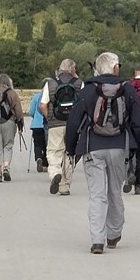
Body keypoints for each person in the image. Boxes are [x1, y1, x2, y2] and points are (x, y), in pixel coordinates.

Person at [65, 51, 138, 252]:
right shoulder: (128, 89)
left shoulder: (88, 90)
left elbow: (73, 122)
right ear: (116, 68)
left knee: (98, 194)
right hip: (119, 147)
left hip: (92, 147)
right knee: (115, 191)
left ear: (97, 68)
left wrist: (71, 149)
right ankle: (113, 234)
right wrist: (136, 149)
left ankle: (98, 239)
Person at [43, 61, 82, 194]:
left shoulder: (50, 83)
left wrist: (49, 118)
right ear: (72, 69)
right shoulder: (79, 83)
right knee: (69, 153)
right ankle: (64, 186)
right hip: (73, 124)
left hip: (55, 122)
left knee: (53, 151)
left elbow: (43, 105)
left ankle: (55, 173)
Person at [25, 68, 50, 185]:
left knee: (37, 144)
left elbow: (31, 111)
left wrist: (34, 116)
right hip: (47, 124)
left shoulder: (36, 97)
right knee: (47, 144)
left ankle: (38, 158)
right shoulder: (51, 97)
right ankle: (45, 163)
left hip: (36, 125)